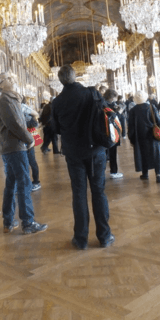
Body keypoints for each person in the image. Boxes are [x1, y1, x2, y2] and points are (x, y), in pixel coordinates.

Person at [52, 64, 114, 250]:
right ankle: (104, 236)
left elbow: (55, 129)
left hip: (73, 153)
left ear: (60, 81)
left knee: (78, 194)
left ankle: (80, 239)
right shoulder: (92, 93)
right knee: (98, 192)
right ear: (75, 76)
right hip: (95, 150)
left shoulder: (57, 102)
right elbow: (107, 115)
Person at [0, 72, 47, 235]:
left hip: (11, 147)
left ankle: (9, 221)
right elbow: (16, 124)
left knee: (11, 184)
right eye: (7, 79)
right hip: (15, 147)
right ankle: (28, 222)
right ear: (1, 85)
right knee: (24, 183)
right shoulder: (6, 99)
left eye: (11, 77)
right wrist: (30, 139)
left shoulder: (10, 98)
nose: (12, 79)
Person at [128, 90, 160, 183]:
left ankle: (145, 174)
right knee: (156, 155)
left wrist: (131, 138)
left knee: (142, 155)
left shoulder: (132, 111)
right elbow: (158, 121)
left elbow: (130, 126)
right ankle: (158, 174)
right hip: (153, 135)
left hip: (140, 137)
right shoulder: (151, 107)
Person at [21, 98, 41, 192]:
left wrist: (25, 123)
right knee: (23, 162)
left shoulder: (28, 111)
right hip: (20, 139)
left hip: (28, 139)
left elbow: (35, 123)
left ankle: (36, 181)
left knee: (31, 161)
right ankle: (25, 183)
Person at [103, 88, 123, 179]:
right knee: (112, 153)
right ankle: (114, 172)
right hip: (111, 132)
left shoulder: (104, 104)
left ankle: (103, 172)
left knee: (105, 153)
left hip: (105, 132)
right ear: (111, 97)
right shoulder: (107, 106)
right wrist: (119, 112)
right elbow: (112, 118)